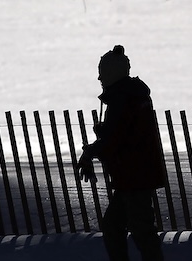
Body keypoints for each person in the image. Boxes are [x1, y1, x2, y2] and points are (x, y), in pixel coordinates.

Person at [77, 45, 166, 261]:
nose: (99, 77)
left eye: (103, 72)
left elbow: (116, 139)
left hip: (135, 175)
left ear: (112, 73)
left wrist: (90, 151)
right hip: (132, 175)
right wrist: (103, 135)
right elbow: (122, 133)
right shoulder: (128, 96)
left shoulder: (123, 99)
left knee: (140, 229)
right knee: (115, 225)